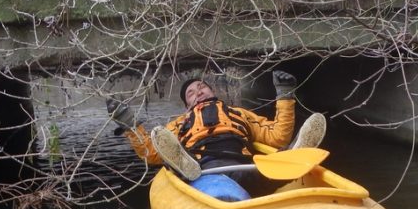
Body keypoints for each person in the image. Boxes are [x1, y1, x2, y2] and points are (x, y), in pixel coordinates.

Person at [106, 71, 326, 191]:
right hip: (204, 168)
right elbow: (152, 154)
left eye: (202, 87)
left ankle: (294, 154)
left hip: (243, 166)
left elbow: (277, 136)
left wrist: (285, 96)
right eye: (191, 92)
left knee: (267, 169)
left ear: (212, 90)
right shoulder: (181, 122)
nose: (198, 92)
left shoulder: (238, 113)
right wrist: (130, 126)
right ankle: (183, 166)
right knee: (168, 148)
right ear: (187, 104)